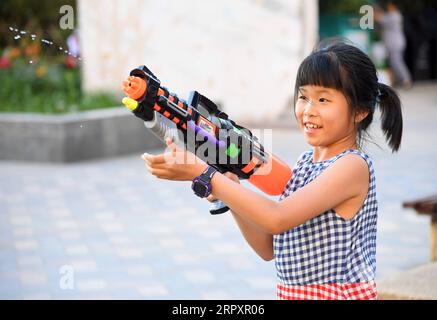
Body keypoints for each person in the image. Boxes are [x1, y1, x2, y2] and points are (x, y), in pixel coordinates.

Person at [141, 41, 403, 300]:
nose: (308, 111)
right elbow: (269, 246)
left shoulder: (352, 166)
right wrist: (230, 185)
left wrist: (206, 175)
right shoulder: (305, 164)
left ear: (359, 111)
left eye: (323, 99)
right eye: (303, 97)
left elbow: (277, 217)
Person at [375, 1, 412, 88]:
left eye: (389, 6)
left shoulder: (394, 16)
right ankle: (398, 81)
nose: (388, 7)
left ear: (393, 6)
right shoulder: (392, 15)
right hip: (394, 43)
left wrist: (375, 10)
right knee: (393, 63)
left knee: (397, 62)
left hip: (395, 44)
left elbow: (379, 18)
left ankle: (407, 80)